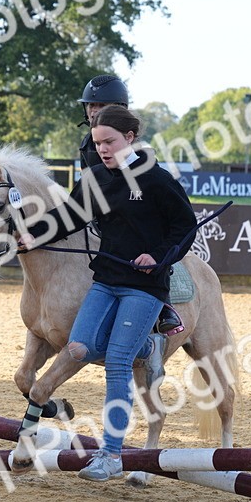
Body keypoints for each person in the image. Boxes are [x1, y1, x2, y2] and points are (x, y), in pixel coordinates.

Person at [17, 105, 198, 482]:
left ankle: (112, 455)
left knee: (117, 363)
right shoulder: (95, 177)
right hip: (105, 281)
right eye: (97, 142)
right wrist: (33, 234)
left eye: (109, 141)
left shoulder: (157, 180)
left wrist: (160, 257)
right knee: (79, 348)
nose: (102, 148)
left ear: (130, 138)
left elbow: (185, 226)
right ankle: (147, 349)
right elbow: (69, 217)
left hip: (144, 286)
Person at [77, 75, 185, 336]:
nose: (94, 112)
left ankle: (165, 306)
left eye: (100, 107)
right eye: (91, 106)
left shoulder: (130, 142)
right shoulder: (88, 143)